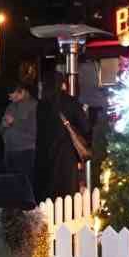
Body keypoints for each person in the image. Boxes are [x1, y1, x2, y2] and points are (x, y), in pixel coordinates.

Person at [35, 71, 90, 201]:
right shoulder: (71, 102)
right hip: (66, 155)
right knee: (67, 194)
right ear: (62, 84)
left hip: (45, 155)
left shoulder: (41, 105)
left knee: (49, 193)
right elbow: (86, 127)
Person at [0, 82, 38, 185]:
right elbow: (1, 128)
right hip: (9, 150)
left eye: (12, 96)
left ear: (21, 92)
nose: (10, 99)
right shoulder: (10, 106)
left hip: (25, 151)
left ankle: (26, 201)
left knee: (25, 182)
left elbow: (34, 129)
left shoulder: (34, 106)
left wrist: (14, 122)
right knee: (12, 182)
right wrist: (3, 125)